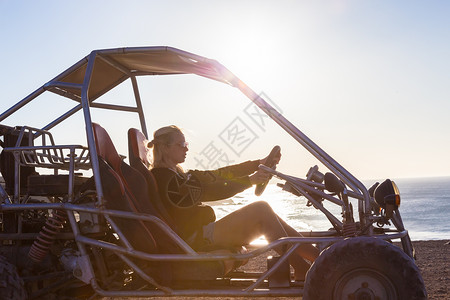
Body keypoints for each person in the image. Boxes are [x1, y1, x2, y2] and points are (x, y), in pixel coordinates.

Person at [148, 125, 319, 280]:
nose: (187, 148)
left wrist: (257, 164)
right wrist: (249, 181)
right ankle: (303, 267)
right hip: (192, 239)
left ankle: (317, 258)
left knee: (266, 213)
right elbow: (212, 190)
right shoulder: (165, 179)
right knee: (261, 209)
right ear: (165, 147)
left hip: (200, 233)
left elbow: (220, 174)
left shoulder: (179, 175)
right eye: (182, 144)